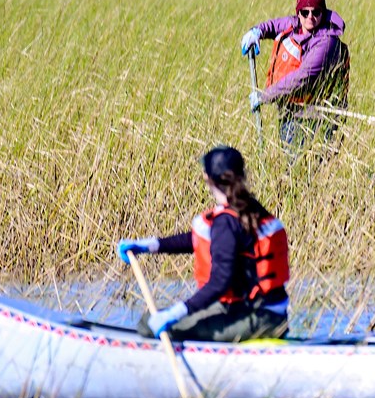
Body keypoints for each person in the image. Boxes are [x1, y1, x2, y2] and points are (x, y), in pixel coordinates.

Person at [117, 146, 290, 342]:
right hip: (272, 315)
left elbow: (219, 282)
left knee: (147, 323)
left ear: (207, 178)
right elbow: (201, 240)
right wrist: (150, 245)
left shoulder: (226, 222)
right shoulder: (248, 208)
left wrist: (177, 312)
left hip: (256, 318)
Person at [241, 0, 349, 155]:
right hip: (291, 112)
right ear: (298, 13)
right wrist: (257, 31)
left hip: (317, 118)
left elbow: (302, 78)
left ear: (323, 13)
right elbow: (276, 25)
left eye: (316, 12)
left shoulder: (327, 42)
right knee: (293, 167)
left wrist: (265, 96)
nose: (310, 17)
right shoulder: (297, 26)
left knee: (307, 171)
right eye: (305, 12)